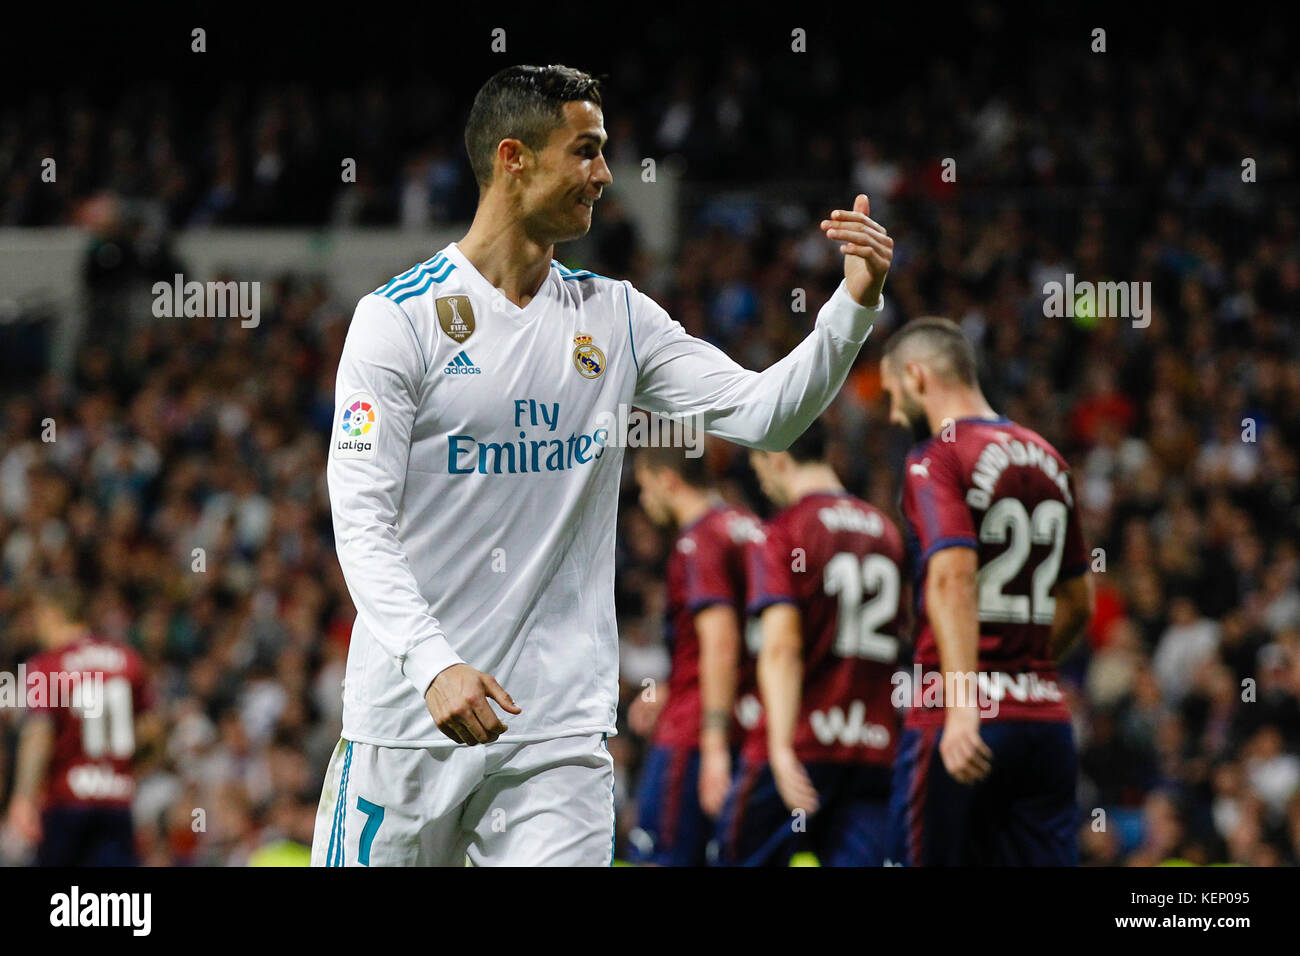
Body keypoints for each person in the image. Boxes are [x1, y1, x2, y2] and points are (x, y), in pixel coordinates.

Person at [313, 63, 893, 866]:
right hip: (408, 720)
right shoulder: (398, 320)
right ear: (513, 158)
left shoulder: (615, 315)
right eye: (585, 151)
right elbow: (360, 520)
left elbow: (766, 415)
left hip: (555, 734)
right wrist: (434, 663)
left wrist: (852, 306)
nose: (605, 174)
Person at [880, 317, 1094, 866]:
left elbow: (951, 575)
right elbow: (1078, 601)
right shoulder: (1049, 455)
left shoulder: (937, 457)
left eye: (891, 393)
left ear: (917, 376)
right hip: (1044, 720)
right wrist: (1026, 667)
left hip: (960, 721)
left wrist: (963, 702)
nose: (891, 412)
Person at [715, 420, 905, 866]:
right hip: (872, 750)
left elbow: (781, 647)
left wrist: (781, 750)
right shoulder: (887, 532)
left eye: (760, 469)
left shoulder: (783, 532)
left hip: (800, 748)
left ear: (777, 458)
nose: (762, 483)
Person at [625, 444, 762, 865]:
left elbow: (720, 641)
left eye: (646, 488)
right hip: (750, 727)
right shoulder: (751, 528)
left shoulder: (699, 539)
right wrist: (670, 686)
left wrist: (713, 744)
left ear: (668, 481)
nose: (645, 502)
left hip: (695, 734)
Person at [5, 587, 154, 866]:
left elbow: (39, 733)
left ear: (53, 615)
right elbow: (150, 732)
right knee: (115, 907)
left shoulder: (45, 666)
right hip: (117, 798)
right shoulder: (129, 661)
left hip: (66, 800)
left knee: (66, 907)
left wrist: (23, 796)